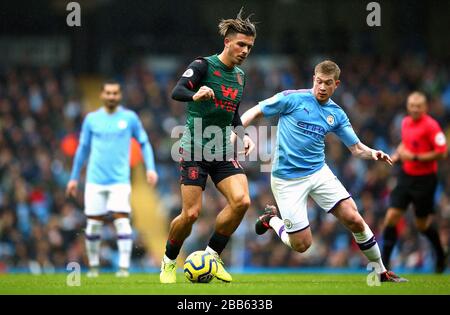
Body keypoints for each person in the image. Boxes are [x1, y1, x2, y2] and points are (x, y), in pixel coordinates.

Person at [240, 60, 407, 282]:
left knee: (354, 218)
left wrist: (373, 153)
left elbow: (356, 148)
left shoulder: (336, 114)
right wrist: (242, 134)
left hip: (318, 172)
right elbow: (252, 112)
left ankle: (381, 271)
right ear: (313, 79)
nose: (321, 87)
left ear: (336, 84)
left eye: (327, 83)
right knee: (302, 244)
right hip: (287, 180)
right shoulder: (291, 98)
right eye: (319, 81)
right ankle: (271, 220)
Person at [159, 9, 256, 284]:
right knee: (190, 214)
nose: (245, 50)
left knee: (242, 201)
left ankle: (212, 255)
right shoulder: (203, 66)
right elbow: (177, 92)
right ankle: (168, 261)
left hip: (222, 148)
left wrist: (242, 133)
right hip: (195, 148)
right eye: (241, 44)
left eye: (249, 46)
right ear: (227, 41)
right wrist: (195, 93)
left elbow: (232, 110)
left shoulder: (240, 77)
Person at [66, 81, 158, 278]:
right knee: (93, 224)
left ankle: (123, 268)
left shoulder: (129, 118)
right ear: (102, 95)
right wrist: (73, 178)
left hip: (119, 181)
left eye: (115, 93)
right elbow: (82, 148)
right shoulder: (91, 119)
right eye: (108, 93)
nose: (111, 96)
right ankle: (93, 266)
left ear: (120, 95)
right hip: (95, 180)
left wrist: (150, 168)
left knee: (122, 222)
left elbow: (144, 142)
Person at [381, 91, 448, 273]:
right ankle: (383, 266)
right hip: (406, 176)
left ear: (425, 108)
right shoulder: (405, 122)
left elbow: (442, 151)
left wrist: (416, 157)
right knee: (391, 217)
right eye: (412, 106)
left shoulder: (432, 126)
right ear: (408, 107)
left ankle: (441, 255)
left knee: (422, 225)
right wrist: (396, 155)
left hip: (425, 180)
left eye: (419, 106)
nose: (415, 109)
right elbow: (406, 144)